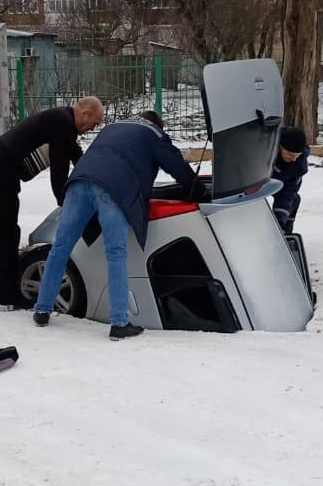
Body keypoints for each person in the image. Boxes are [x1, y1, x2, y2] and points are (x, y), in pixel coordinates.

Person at [33, 111, 205, 340]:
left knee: (61, 248)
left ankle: (42, 309)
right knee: (115, 253)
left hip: (79, 182)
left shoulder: (112, 128)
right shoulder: (154, 133)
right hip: (114, 190)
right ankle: (119, 323)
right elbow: (176, 166)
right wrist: (199, 191)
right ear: (158, 125)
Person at [0, 97, 104, 311]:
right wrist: (67, 204)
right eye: (95, 122)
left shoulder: (62, 120)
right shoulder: (62, 123)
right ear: (83, 113)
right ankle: (7, 297)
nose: (93, 127)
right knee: (4, 230)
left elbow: (76, 156)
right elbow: (59, 169)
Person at [271, 125, 309, 234]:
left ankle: (284, 234)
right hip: (257, 179)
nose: (294, 159)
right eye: (290, 155)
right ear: (280, 147)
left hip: (279, 181)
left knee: (294, 200)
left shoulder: (299, 166)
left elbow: (287, 193)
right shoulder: (266, 147)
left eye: (297, 155)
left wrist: (280, 223)